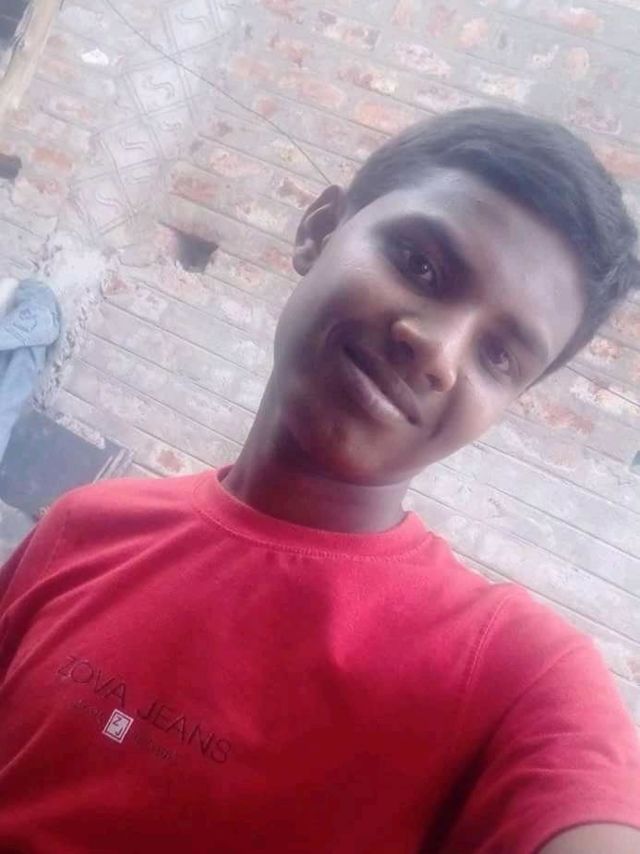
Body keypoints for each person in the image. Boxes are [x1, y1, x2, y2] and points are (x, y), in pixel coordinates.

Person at [1, 108, 639, 853]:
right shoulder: (86, 526)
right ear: (320, 229)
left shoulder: (513, 678)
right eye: (421, 265)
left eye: (499, 356)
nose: (438, 352)